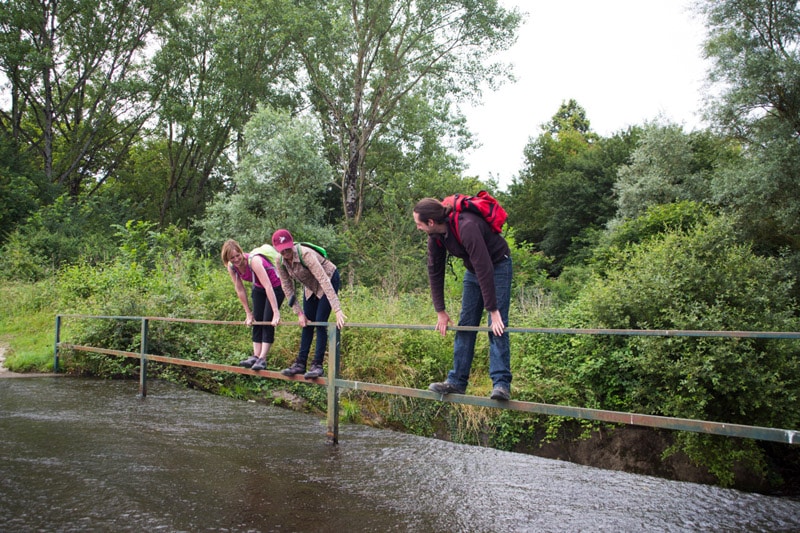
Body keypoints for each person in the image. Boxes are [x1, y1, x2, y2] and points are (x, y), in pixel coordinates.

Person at [413, 197, 513, 400]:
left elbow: (485, 267)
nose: (418, 228)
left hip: (497, 266)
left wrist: (493, 310)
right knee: (466, 324)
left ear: (430, 222)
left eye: (419, 224)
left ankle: (501, 384)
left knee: (497, 325)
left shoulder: (467, 226)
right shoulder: (436, 237)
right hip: (474, 271)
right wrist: (440, 311)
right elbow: (434, 270)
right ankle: (457, 381)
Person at [271, 229, 346, 379]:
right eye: (282, 250)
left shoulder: (305, 254)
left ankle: (317, 365)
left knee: (320, 322)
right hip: (310, 286)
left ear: (291, 244)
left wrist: (337, 309)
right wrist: (299, 313)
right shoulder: (279, 261)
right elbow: (287, 287)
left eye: (287, 248)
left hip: (328, 278)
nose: (285, 252)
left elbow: (323, 280)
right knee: (306, 322)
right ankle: (300, 363)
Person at [221, 240, 284, 371]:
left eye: (238, 255)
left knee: (267, 320)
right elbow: (240, 289)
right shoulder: (232, 267)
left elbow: (268, 286)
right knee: (256, 320)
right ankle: (256, 356)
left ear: (241, 252)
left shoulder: (254, 261)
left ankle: (263, 358)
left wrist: (276, 312)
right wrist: (248, 313)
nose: (236, 259)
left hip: (275, 286)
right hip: (258, 287)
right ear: (228, 259)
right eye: (232, 258)